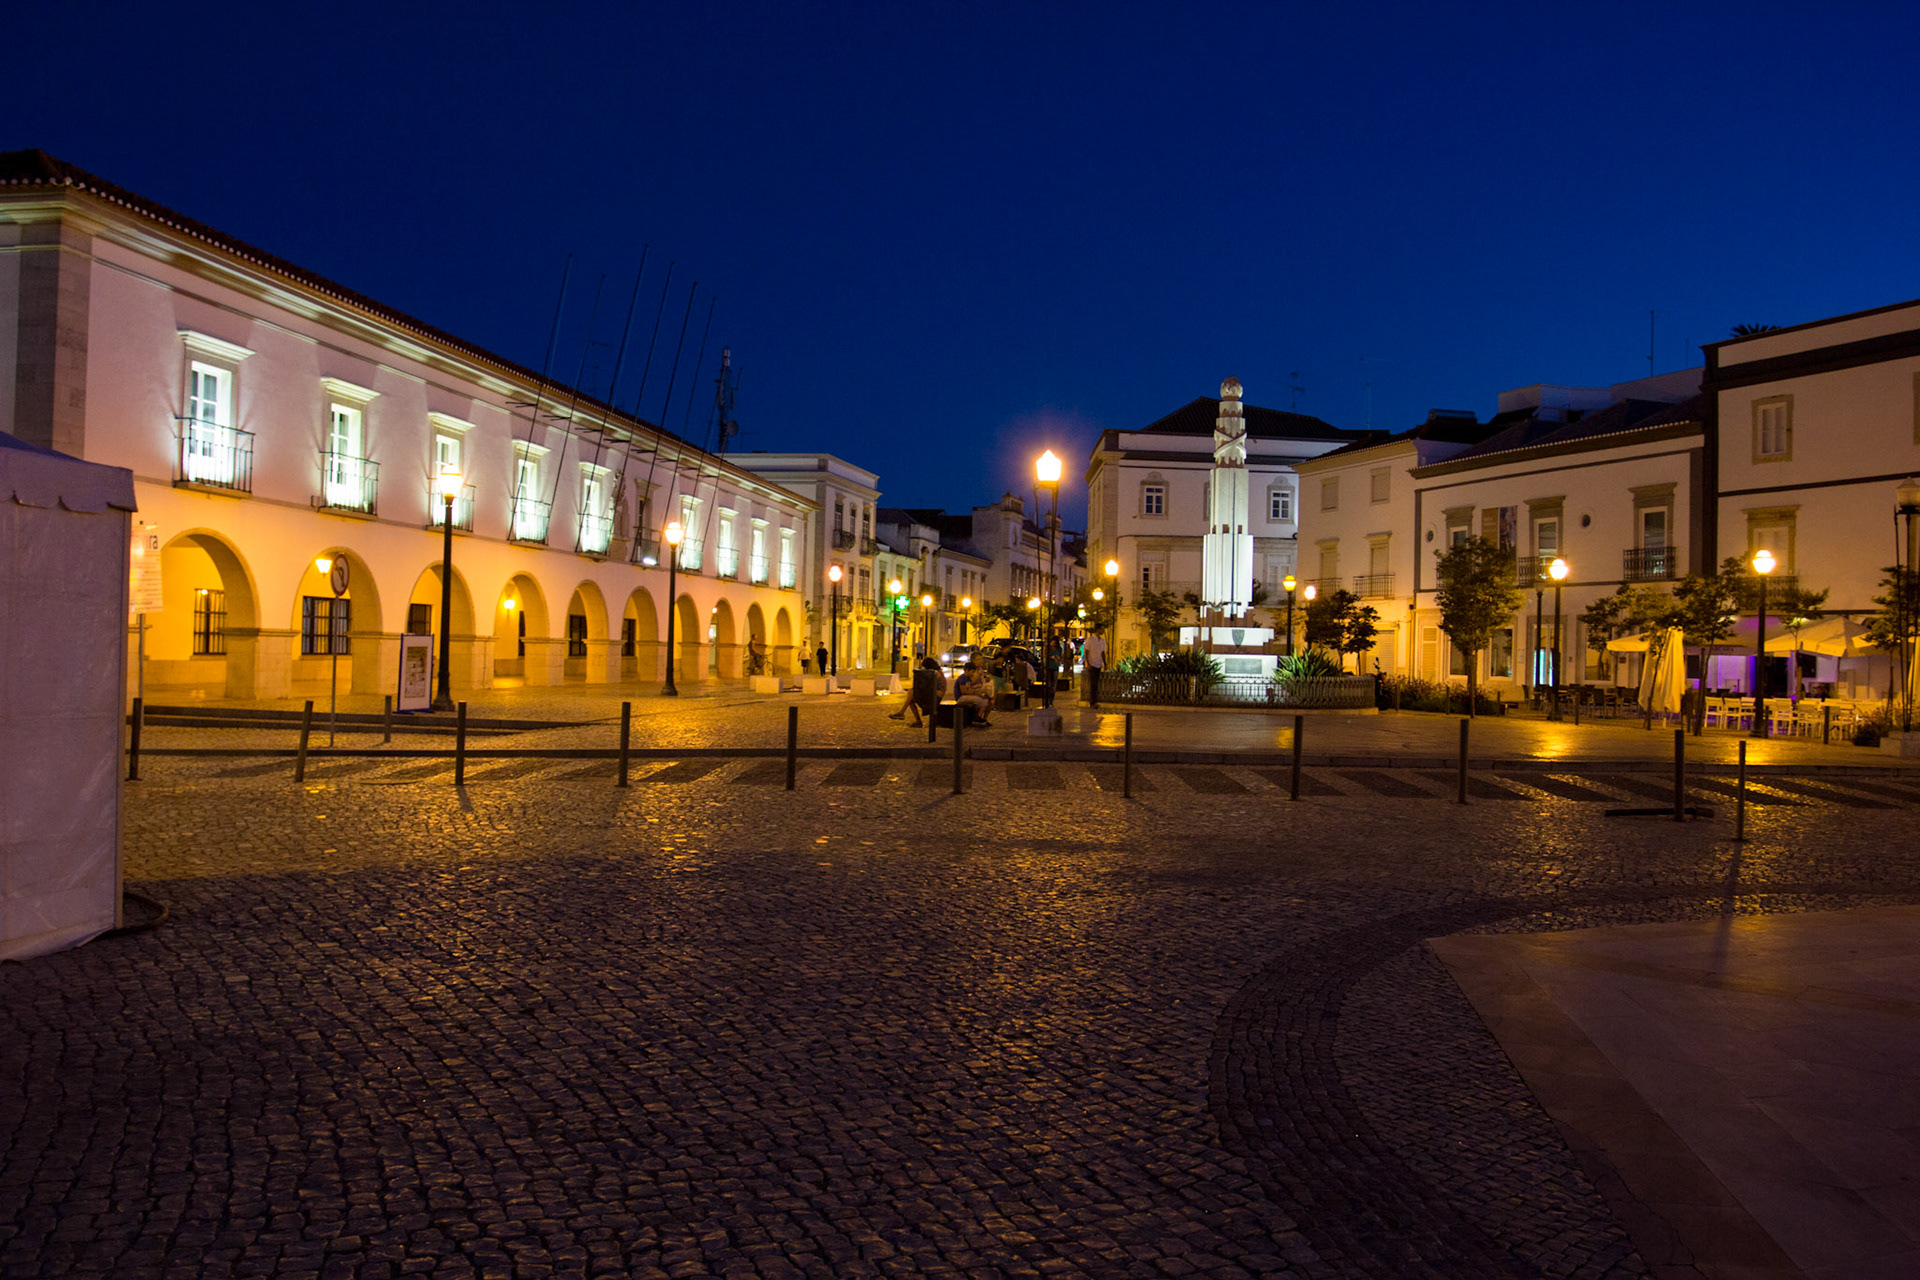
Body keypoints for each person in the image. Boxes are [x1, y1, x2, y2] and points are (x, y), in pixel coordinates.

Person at [890, 656, 944, 726]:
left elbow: (931, 686)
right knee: (911, 697)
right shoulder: (937, 672)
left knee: (911, 693)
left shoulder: (935, 673)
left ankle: (902, 713)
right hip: (933, 694)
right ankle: (913, 719)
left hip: (935, 697)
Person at [955, 660, 993, 727]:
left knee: (986, 700)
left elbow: (970, 689)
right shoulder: (962, 679)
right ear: (966, 670)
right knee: (981, 702)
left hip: (966, 696)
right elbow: (964, 691)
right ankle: (977, 718)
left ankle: (980, 717)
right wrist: (976, 693)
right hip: (961, 697)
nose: (973, 674)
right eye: (972, 672)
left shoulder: (967, 678)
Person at [1084, 630, 1107, 707]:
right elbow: (1086, 652)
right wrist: (1088, 663)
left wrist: (1105, 663)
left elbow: (1103, 652)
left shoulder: (1102, 641)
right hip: (1092, 663)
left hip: (1098, 663)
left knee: (1096, 683)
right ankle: (1092, 702)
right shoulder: (1090, 640)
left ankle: (1094, 701)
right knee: (1093, 683)